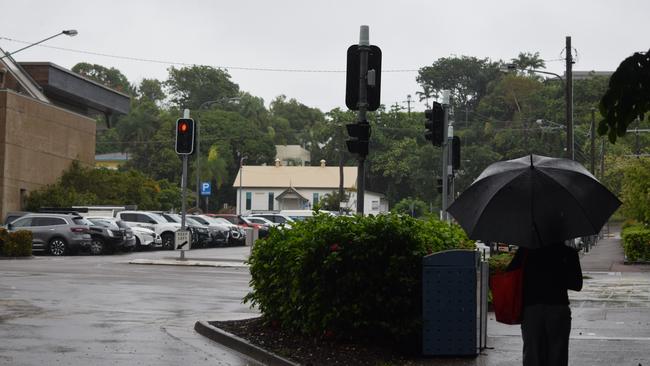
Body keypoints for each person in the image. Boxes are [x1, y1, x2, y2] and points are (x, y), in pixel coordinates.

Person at [507, 242, 583, 366]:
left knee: (532, 355)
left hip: (531, 309)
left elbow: (510, 274)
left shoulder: (526, 251)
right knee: (558, 355)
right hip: (558, 308)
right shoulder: (568, 253)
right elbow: (577, 284)